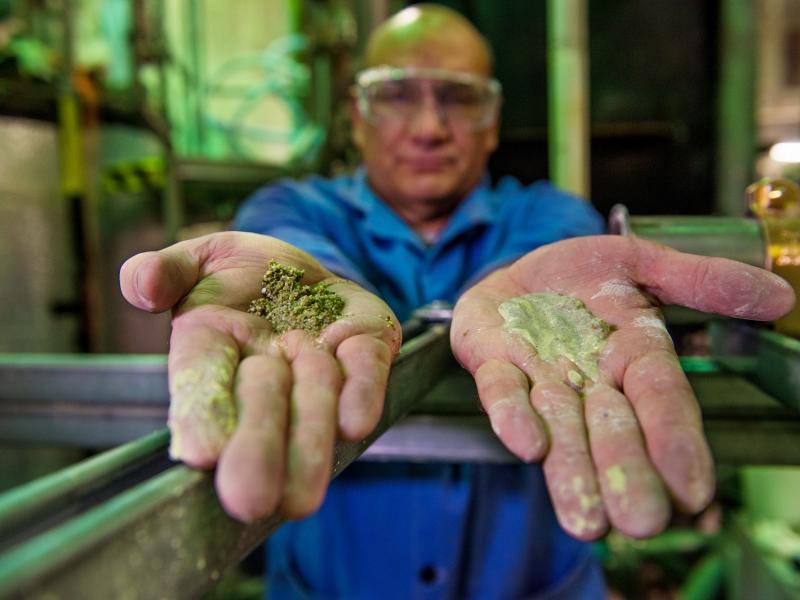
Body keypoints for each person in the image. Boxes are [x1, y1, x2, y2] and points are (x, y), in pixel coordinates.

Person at [120, 4, 794, 599]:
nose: (429, 125)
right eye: (396, 96)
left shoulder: (543, 212)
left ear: (493, 122)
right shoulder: (295, 207)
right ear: (357, 116)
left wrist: (516, 290)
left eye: (459, 98)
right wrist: (315, 278)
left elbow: (552, 247)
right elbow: (286, 239)